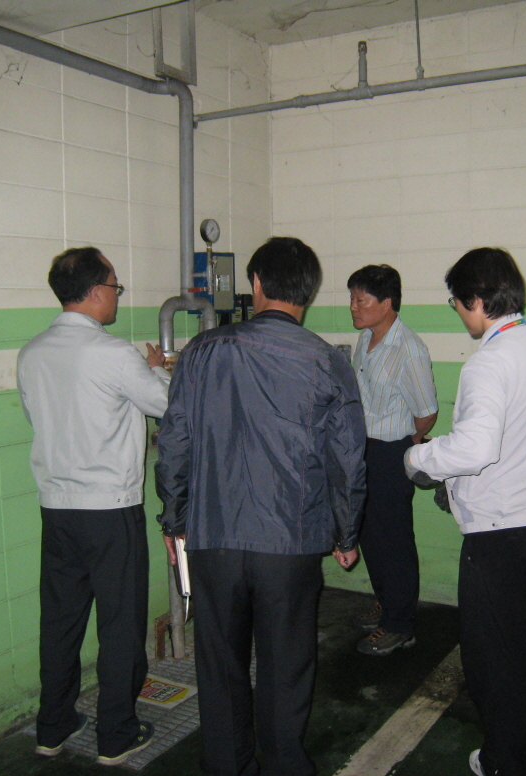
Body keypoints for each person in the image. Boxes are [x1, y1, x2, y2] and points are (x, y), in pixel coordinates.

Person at [155, 236, 367, 776]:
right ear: (309, 292)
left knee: (220, 663)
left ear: (255, 284)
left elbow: (174, 442)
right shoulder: (326, 360)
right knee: (285, 664)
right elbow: (347, 459)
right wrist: (346, 534)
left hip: (213, 537)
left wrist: (174, 520)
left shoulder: (200, 353)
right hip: (290, 543)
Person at [405, 248, 526, 776]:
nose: (460, 314)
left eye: (458, 304)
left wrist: (419, 459)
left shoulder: (489, 361)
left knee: (491, 666)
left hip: (501, 540)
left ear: (477, 300)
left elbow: (475, 448)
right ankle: (515, 756)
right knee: (524, 659)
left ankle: (508, 764)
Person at [17, 247, 168, 765]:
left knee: (60, 622)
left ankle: (53, 725)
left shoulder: (32, 353)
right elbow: (168, 404)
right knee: (120, 625)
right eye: (115, 287)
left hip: (57, 510)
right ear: (97, 291)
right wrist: (157, 371)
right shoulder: (112, 353)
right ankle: (117, 734)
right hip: (109, 511)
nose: (117, 296)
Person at [347, 265, 438, 656]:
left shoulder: (408, 349)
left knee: (394, 540)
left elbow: (427, 412)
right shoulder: (365, 339)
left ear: (386, 303)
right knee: (369, 534)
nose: (353, 306)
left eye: (361, 299)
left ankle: (401, 626)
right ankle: (387, 602)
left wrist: (407, 443)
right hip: (362, 450)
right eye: (352, 298)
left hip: (391, 452)